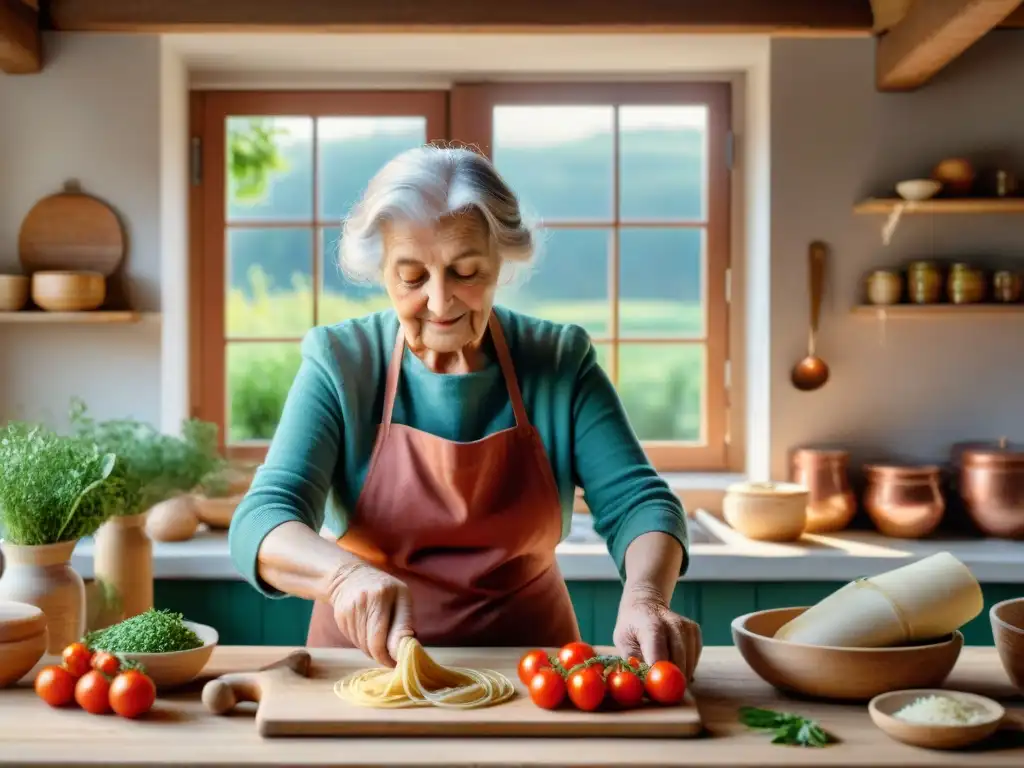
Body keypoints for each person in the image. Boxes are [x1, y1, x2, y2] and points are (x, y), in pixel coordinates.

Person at [228, 144, 701, 679]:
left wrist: (645, 596)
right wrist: (343, 579)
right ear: (381, 270)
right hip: (364, 670)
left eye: (466, 271)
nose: (440, 301)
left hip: (533, 674)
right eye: (411, 276)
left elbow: (639, 501)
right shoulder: (341, 362)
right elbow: (263, 518)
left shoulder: (558, 360)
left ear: (502, 261)